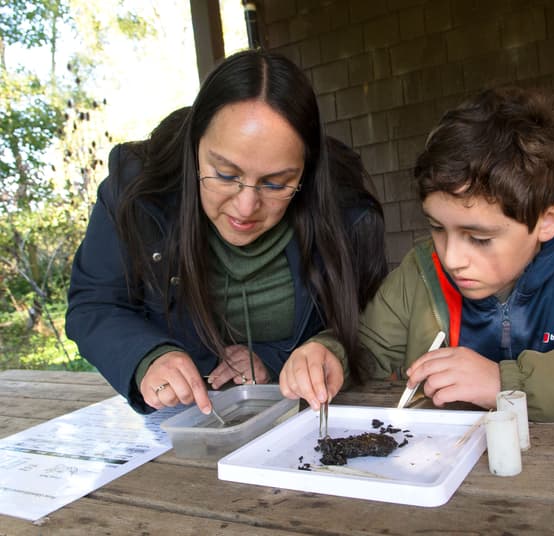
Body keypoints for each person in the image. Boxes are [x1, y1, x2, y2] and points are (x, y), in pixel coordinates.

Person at [280, 86, 554, 421]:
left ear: (548, 220)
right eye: (438, 227)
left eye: (479, 237)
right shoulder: (421, 273)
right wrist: (328, 353)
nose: (453, 257)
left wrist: (507, 382)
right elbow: (369, 351)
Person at [66, 50, 388, 415]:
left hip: (296, 418)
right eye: (225, 175)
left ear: (306, 172)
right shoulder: (138, 192)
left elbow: (374, 323)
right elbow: (95, 303)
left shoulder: (346, 212)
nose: (246, 207)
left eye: (277, 183)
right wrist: (147, 356)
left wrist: (284, 358)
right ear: (194, 146)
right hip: (184, 426)